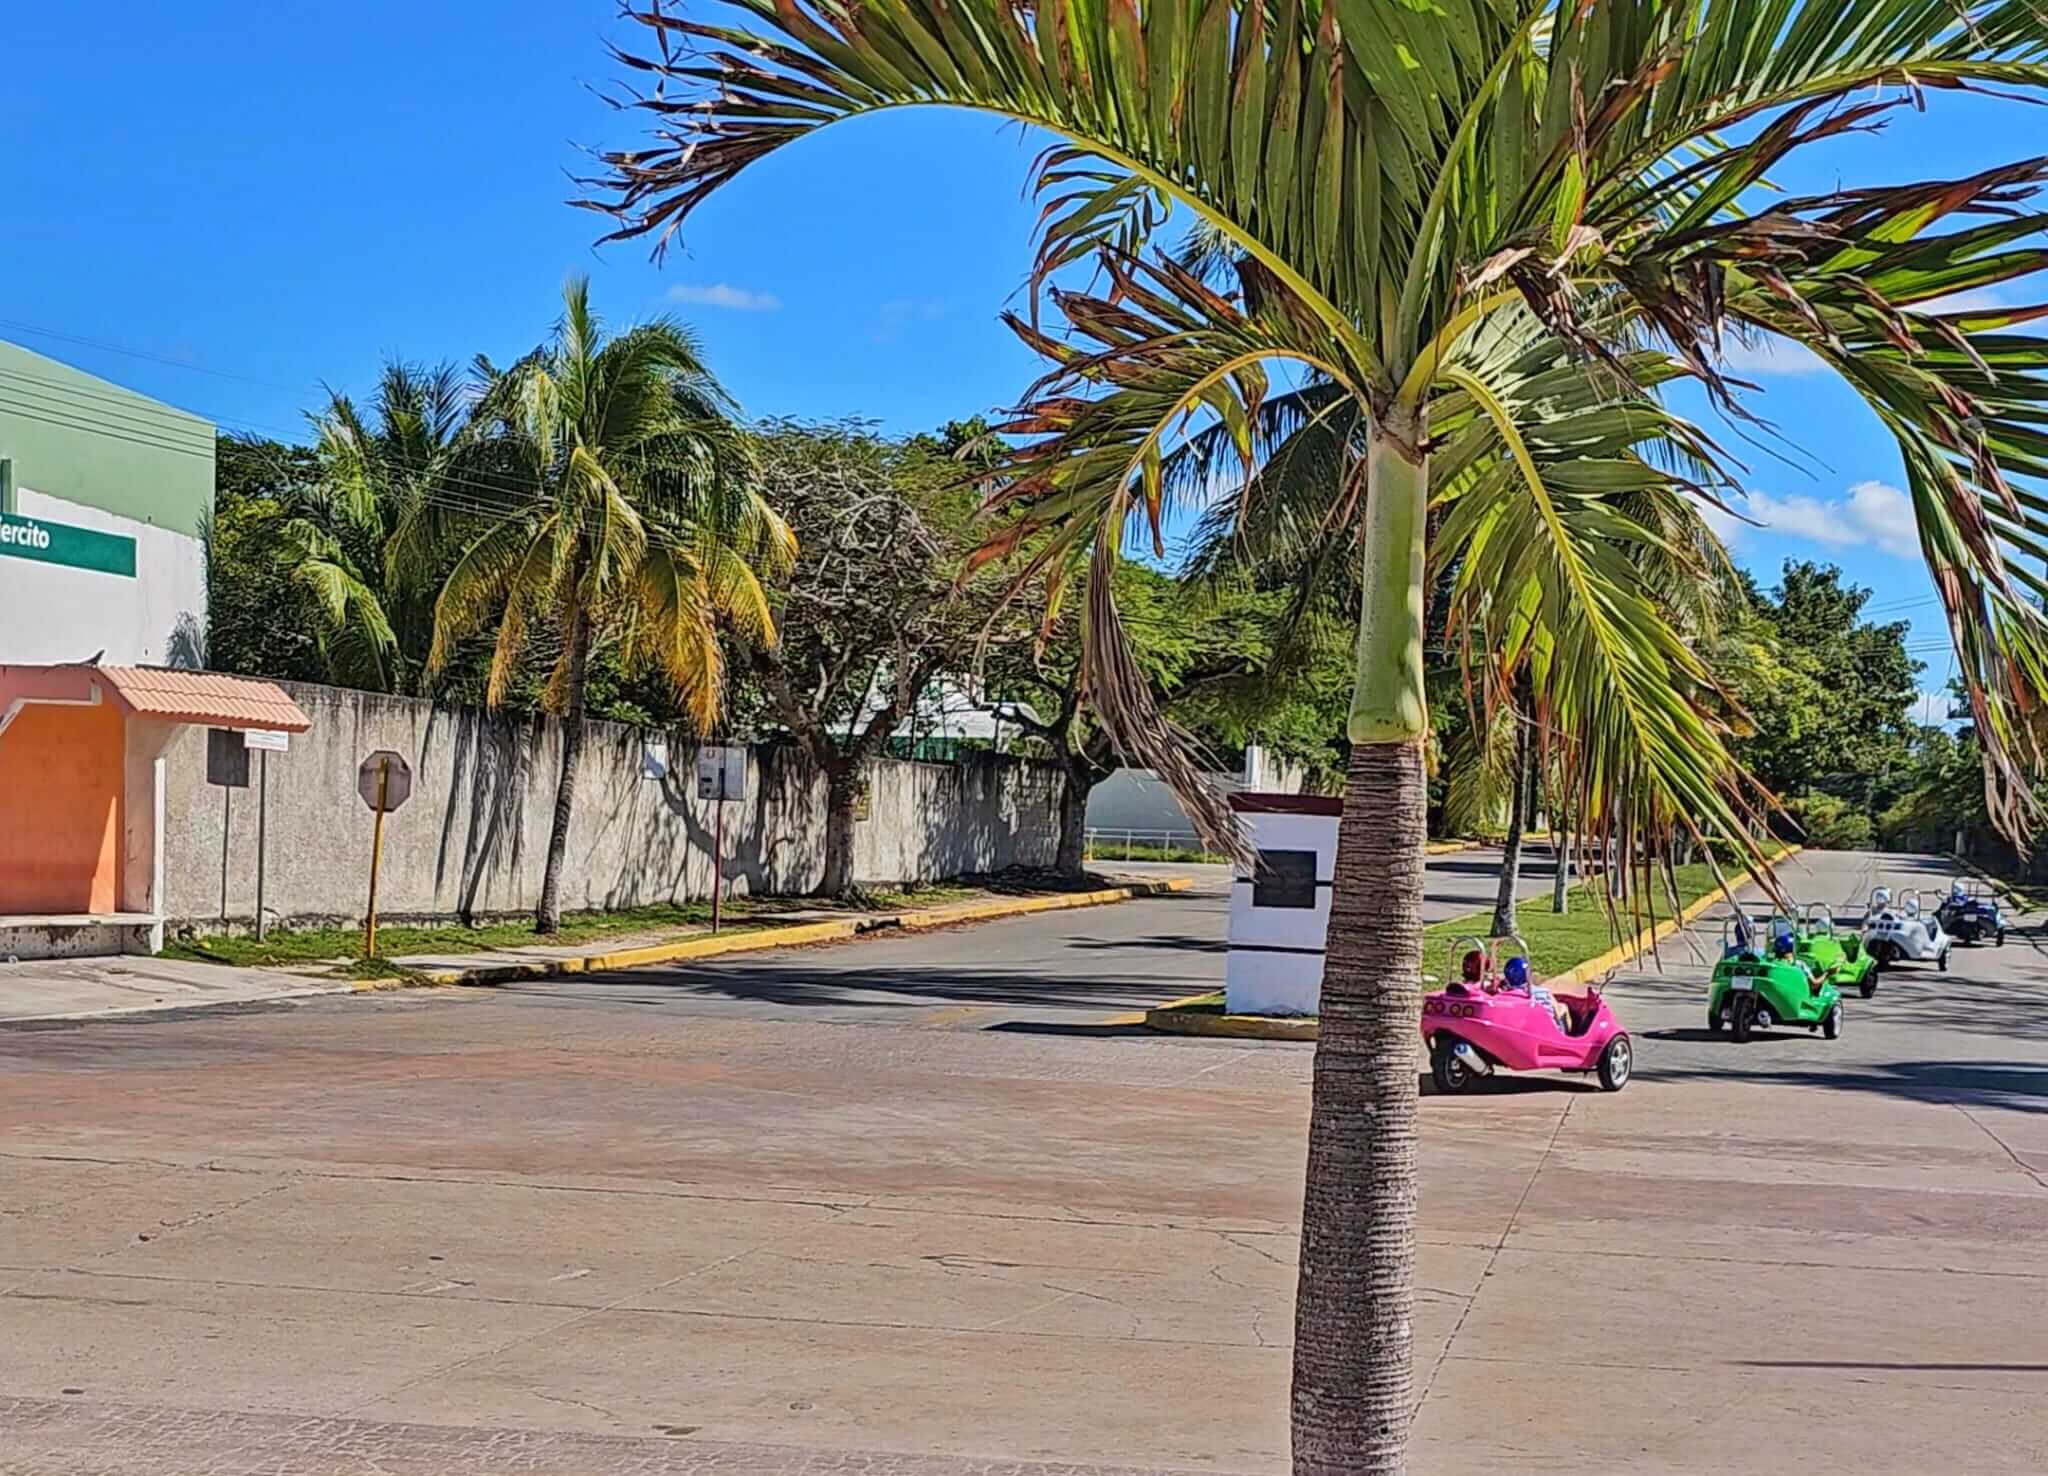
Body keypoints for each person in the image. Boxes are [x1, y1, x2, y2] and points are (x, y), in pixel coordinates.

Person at [1507, 956, 1574, 1033]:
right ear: (1528, 974)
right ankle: (1568, 1036)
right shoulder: (1543, 992)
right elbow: (1557, 1014)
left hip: (1527, 1030)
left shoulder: (1510, 995)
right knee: (1563, 1006)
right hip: (1550, 1033)